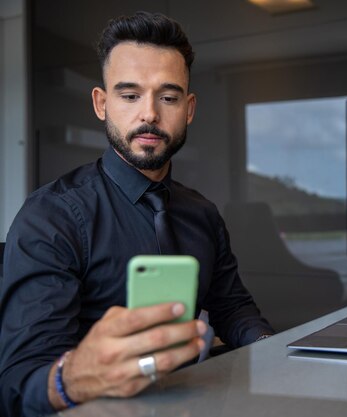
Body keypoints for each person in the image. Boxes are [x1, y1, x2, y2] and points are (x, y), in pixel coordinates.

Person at [0, 11, 274, 417]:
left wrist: (277, 351)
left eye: (168, 97)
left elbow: (233, 308)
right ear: (101, 103)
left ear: (189, 108)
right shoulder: (50, 217)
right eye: (129, 96)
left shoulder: (202, 213)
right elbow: (19, 385)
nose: (149, 114)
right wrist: (74, 376)